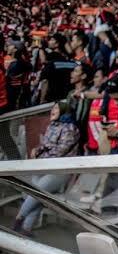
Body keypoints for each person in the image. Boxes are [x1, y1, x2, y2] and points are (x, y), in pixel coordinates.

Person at [13, 101, 80, 236]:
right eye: (52, 108)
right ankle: (26, 229)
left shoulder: (70, 128)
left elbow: (60, 150)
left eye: (56, 108)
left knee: (36, 193)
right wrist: (36, 150)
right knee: (39, 197)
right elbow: (45, 145)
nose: (52, 110)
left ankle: (18, 220)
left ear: (64, 110)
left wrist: (40, 154)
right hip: (42, 165)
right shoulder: (52, 126)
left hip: (58, 169)